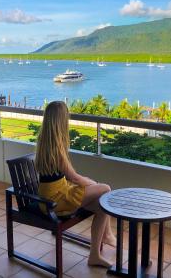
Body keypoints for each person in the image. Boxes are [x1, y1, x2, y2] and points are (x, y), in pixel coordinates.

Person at [35, 101, 116, 267]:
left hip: (52, 195)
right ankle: (107, 235)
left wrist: (93, 186)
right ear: (61, 121)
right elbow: (75, 178)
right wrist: (95, 184)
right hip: (55, 202)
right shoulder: (57, 149)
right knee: (106, 189)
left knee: (102, 204)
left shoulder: (44, 143)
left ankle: (95, 255)